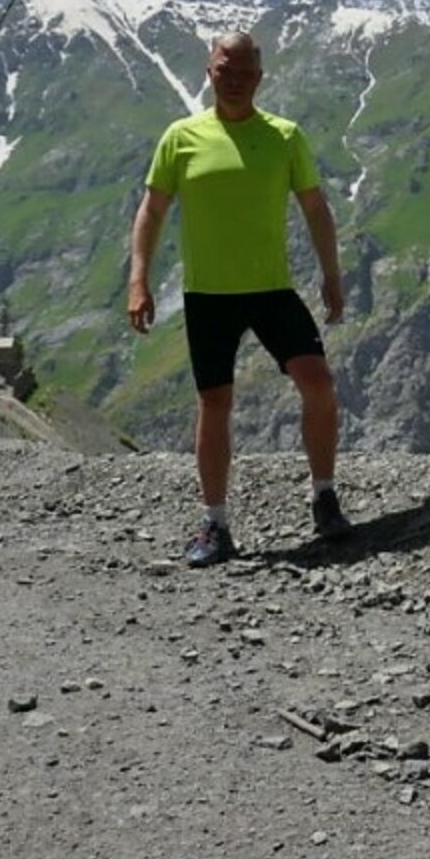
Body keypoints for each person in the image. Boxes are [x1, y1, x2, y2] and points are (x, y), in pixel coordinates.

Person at [127, 31, 351, 567]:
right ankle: (215, 524)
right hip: (208, 295)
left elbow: (315, 207)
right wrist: (138, 279)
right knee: (215, 404)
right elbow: (152, 210)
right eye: (225, 70)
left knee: (319, 383)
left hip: (271, 289)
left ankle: (324, 496)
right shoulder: (180, 137)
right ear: (209, 71)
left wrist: (331, 274)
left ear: (260, 78)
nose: (234, 81)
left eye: (245, 73)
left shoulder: (285, 136)